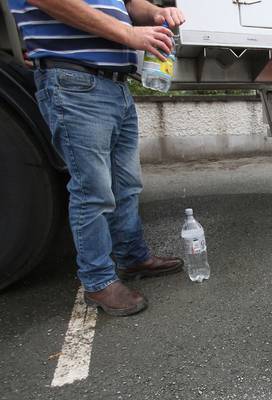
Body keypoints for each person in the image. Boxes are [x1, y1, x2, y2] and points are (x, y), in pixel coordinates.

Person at [10, 0, 187, 316]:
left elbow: (131, 3)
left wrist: (156, 13)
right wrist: (128, 34)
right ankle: (98, 282)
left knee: (126, 184)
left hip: (114, 84)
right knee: (93, 191)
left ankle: (132, 257)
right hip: (73, 80)